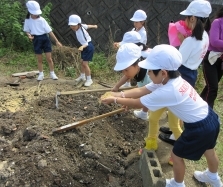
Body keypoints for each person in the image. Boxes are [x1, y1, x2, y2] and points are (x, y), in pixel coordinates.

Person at [101, 44, 222, 187]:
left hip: (199, 128)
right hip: (210, 118)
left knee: (177, 156)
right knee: (209, 150)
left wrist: (114, 100)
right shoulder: (172, 79)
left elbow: (139, 102)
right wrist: (118, 94)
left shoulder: (169, 90)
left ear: (163, 72)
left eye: (151, 71)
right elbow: (142, 90)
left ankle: (178, 184)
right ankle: (213, 177)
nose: (149, 73)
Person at [159, 0, 212, 145]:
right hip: (192, 73)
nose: (184, 21)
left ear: (193, 18)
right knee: (179, 104)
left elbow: (177, 60)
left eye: (187, 17)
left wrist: (182, 42)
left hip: (183, 72)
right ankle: (174, 129)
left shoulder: (192, 40)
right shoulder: (205, 36)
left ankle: (176, 136)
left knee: (178, 105)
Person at [112, 31, 151, 120]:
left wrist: (128, 100)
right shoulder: (137, 63)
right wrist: (117, 86)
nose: (124, 73)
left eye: (126, 70)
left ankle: (144, 113)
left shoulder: (149, 73)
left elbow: (144, 94)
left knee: (155, 116)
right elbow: (128, 76)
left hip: (171, 98)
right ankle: (144, 113)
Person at [23, 0, 62, 81]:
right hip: (36, 39)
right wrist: (29, 35)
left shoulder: (42, 20)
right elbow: (27, 30)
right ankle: (41, 74)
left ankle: (52, 73)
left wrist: (56, 41)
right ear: (30, 12)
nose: (36, 15)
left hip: (45, 39)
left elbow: (49, 31)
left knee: (49, 58)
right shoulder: (27, 20)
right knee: (39, 59)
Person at [114, 9, 148, 88]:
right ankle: (129, 83)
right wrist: (119, 44)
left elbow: (138, 46)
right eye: (134, 22)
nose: (135, 24)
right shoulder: (134, 30)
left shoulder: (143, 32)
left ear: (142, 22)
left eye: (137, 22)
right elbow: (126, 42)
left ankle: (132, 83)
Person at [200, 7, 223, 108]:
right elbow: (214, 41)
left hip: (221, 60)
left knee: (210, 87)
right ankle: (208, 113)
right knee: (213, 88)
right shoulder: (217, 22)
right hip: (211, 59)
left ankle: (197, 105)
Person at [68, 15, 97, 87]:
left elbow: (86, 44)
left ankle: (89, 79)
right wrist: (94, 26)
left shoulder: (81, 33)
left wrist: (81, 47)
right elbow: (87, 26)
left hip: (88, 47)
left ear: (78, 24)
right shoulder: (81, 26)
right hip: (85, 46)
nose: (72, 27)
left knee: (85, 64)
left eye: (73, 26)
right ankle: (82, 76)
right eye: (71, 26)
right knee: (82, 62)